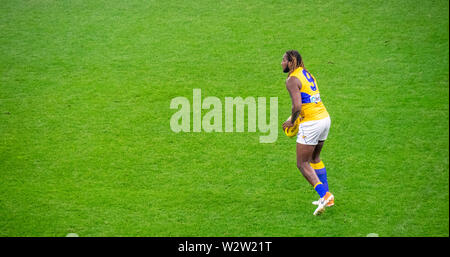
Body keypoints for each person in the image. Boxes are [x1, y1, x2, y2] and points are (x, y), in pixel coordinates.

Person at [281, 50, 334, 216]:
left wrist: (292, 121)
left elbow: (297, 106)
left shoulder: (291, 80)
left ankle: (325, 195)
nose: (281, 63)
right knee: (315, 158)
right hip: (324, 118)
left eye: (283, 60)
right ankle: (327, 198)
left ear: (291, 62)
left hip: (311, 123)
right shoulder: (305, 73)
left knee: (302, 163)